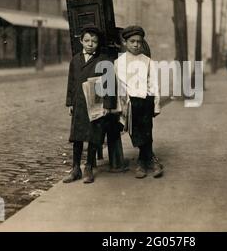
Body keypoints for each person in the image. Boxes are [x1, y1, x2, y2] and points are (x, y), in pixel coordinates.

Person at [64, 26, 115, 184]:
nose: (90, 44)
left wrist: (107, 105)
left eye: (94, 41)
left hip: (96, 103)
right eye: (87, 40)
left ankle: (89, 167)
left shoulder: (104, 60)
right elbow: (71, 82)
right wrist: (70, 103)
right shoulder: (75, 60)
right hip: (80, 102)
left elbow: (109, 84)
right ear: (81, 41)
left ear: (98, 43)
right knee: (77, 136)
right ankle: (75, 168)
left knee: (93, 134)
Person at [114, 26, 163, 179]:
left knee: (147, 129)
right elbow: (119, 86)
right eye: (132, 41)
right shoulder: (118, 62)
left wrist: (156, 103)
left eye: (139, 42)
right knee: (135, 131)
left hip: (146, 100)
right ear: (125, 42)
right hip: (130, 102)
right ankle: (150, 159)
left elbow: (154, 84)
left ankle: (143, 162)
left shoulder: (147, 61)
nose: (136, 45)